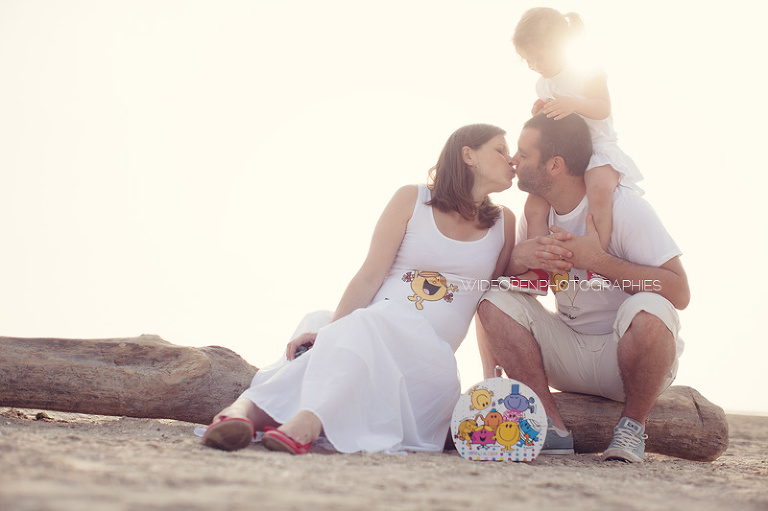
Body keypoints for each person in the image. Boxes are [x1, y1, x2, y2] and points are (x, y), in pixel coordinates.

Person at [201, 124, 518, 454]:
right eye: (501, 149)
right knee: (321, 319)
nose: (511, 160)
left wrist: (490, 380)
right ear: (468, 154)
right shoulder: (413, 198)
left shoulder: (504, 224)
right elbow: (370, 276)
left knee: (366, 323)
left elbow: (489, 304)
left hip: (426, 364)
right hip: (370, 333)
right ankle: (250, 415)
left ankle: (289, 416)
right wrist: (332, 332)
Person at [478, 113, 689, 463]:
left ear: (555, 165)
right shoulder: (537, 214)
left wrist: (597, 259)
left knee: (653, 307)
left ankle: (632, 427)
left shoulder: (624, 208)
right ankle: (550, 426)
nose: (514, 160)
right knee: (493, 299)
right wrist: (520, 257)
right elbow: (514, 287)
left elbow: (679, 292)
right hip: (567, 354)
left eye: (524, 154)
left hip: (628, 359)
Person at [508, 7, 644, 292]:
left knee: (599, 194)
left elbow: (602, 107)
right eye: (528, 60)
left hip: (598, 149)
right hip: (567, 156)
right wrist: (543, 109)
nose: (534, 64)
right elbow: (556, 122)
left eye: (538, 56)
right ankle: (539, 273)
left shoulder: (587, 71)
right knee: (534, 204)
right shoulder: (542, 83)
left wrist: (573, 103)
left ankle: (597, 261)